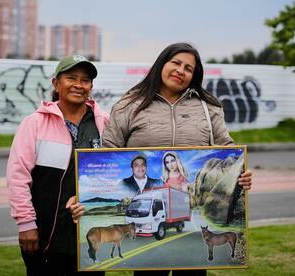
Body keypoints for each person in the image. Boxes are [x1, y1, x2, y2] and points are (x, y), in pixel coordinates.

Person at [102, 42, 252, 276]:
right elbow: (108, 151)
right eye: (176, 63)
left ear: (194, 76)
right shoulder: (128, 105)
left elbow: (228, 149)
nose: (181, 71)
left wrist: (241, 175)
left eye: (189, 68)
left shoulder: (208, 107)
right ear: (162, 63)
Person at [7, 54, 108, 276]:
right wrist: (26, 224)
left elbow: (113, 174)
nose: (79, 85)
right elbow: (18, 177)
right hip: (44, 236)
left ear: (91, 86)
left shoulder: (105, 124)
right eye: (71, 77)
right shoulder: (34, 123)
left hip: (90, 235)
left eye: (85, 80)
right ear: (56, 83)